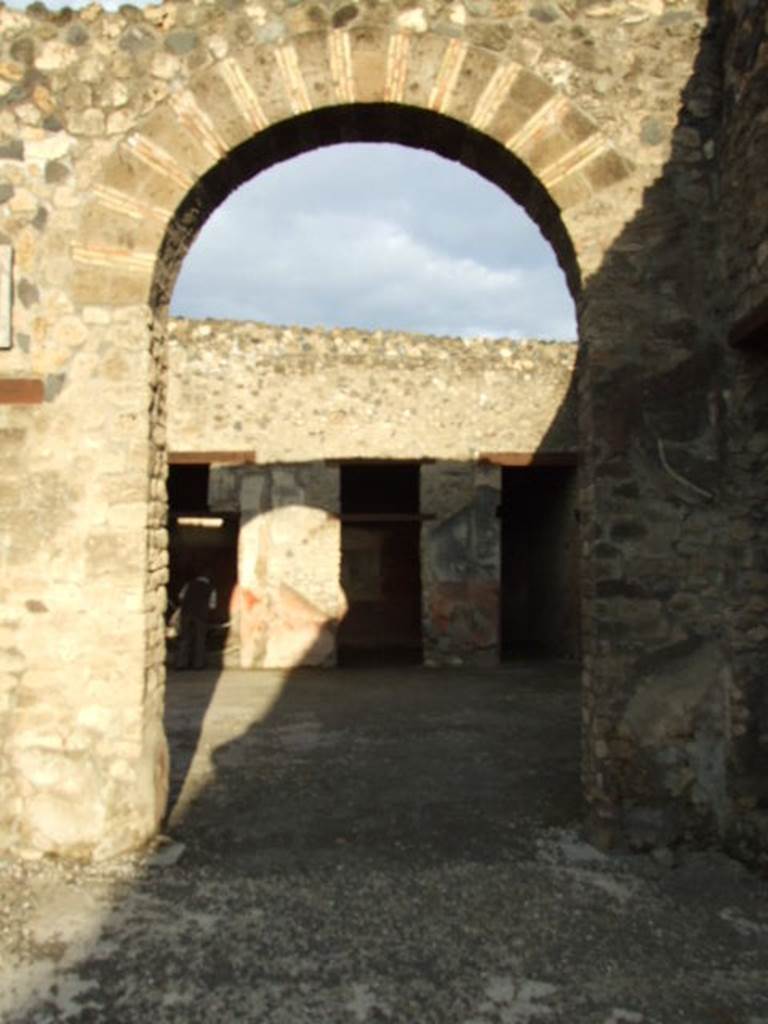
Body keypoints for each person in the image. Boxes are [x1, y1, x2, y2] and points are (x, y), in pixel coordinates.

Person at [174, 574, 217, 670]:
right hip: (201, 616)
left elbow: (181, 596)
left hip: (186, 614)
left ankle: (181, 664)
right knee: (200, 639)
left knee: (184, 638)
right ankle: (198, 664)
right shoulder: (211, 588)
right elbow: (212, 606)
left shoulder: (189, 584)